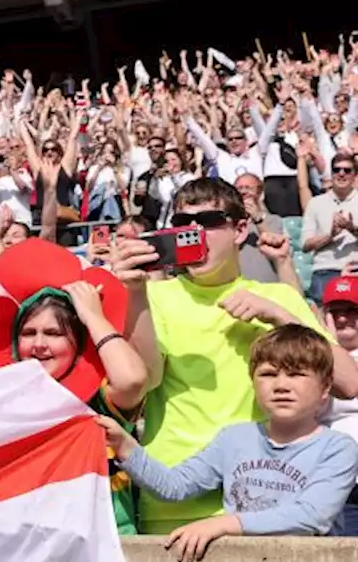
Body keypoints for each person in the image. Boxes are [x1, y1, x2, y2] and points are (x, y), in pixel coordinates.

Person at [112, 178, 358, 535]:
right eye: (183, 225)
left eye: (210, 222)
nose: (194, 234)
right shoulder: (153, 297)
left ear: (240, 229)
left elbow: (350, 384)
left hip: (264, 501)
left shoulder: (278, 298)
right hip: (173, 494)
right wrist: (135, 293)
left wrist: (279, 317)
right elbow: (146, 379)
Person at [101, 325, 358, 562]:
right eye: (268, 374)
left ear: (325, 388)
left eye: (296, 374)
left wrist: (224, 524)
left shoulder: (338, 448)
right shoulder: (234, 438)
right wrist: (126, 447)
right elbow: (174, 486)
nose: (281, 385)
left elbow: (312, 516)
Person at [0, 238, 149, 534]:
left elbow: (133, 380)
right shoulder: (0, 400)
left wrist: (92, 316)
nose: (39, 345)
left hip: (107, 549)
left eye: (54, 333)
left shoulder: (101, 398)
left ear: (78, 340)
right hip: (31, 553)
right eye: (29, 333)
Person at [319, 274, 358, 535]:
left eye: (352, 310)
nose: (343, 318)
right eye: (335, 312)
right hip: (332, 483)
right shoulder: (313, 357)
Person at [300, 154, 358, 302]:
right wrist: (330, 236)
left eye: (347, 170)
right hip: (325, 270)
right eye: (337, 170)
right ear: (331, 174)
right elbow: (305, 245)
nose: (341, 174)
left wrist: (352, 229)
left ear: (354, 175)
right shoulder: (315, 203)